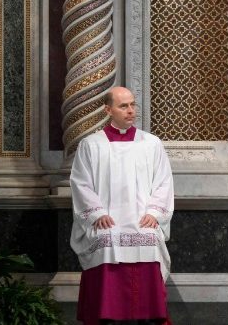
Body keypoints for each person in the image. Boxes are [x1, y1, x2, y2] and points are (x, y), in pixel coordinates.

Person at [70, 86, 174, 325]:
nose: (130, 111)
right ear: (108, 109)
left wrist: (154, 213)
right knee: (106, 239)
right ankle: (108, 316)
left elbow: (164, 182)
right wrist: (96, 213)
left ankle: (149, 317)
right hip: (108, 220)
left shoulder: (151, 143)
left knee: (149, 237)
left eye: (132, 105)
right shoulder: (91, 145)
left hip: (141, 219)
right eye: (123, 106)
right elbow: (81, 183)